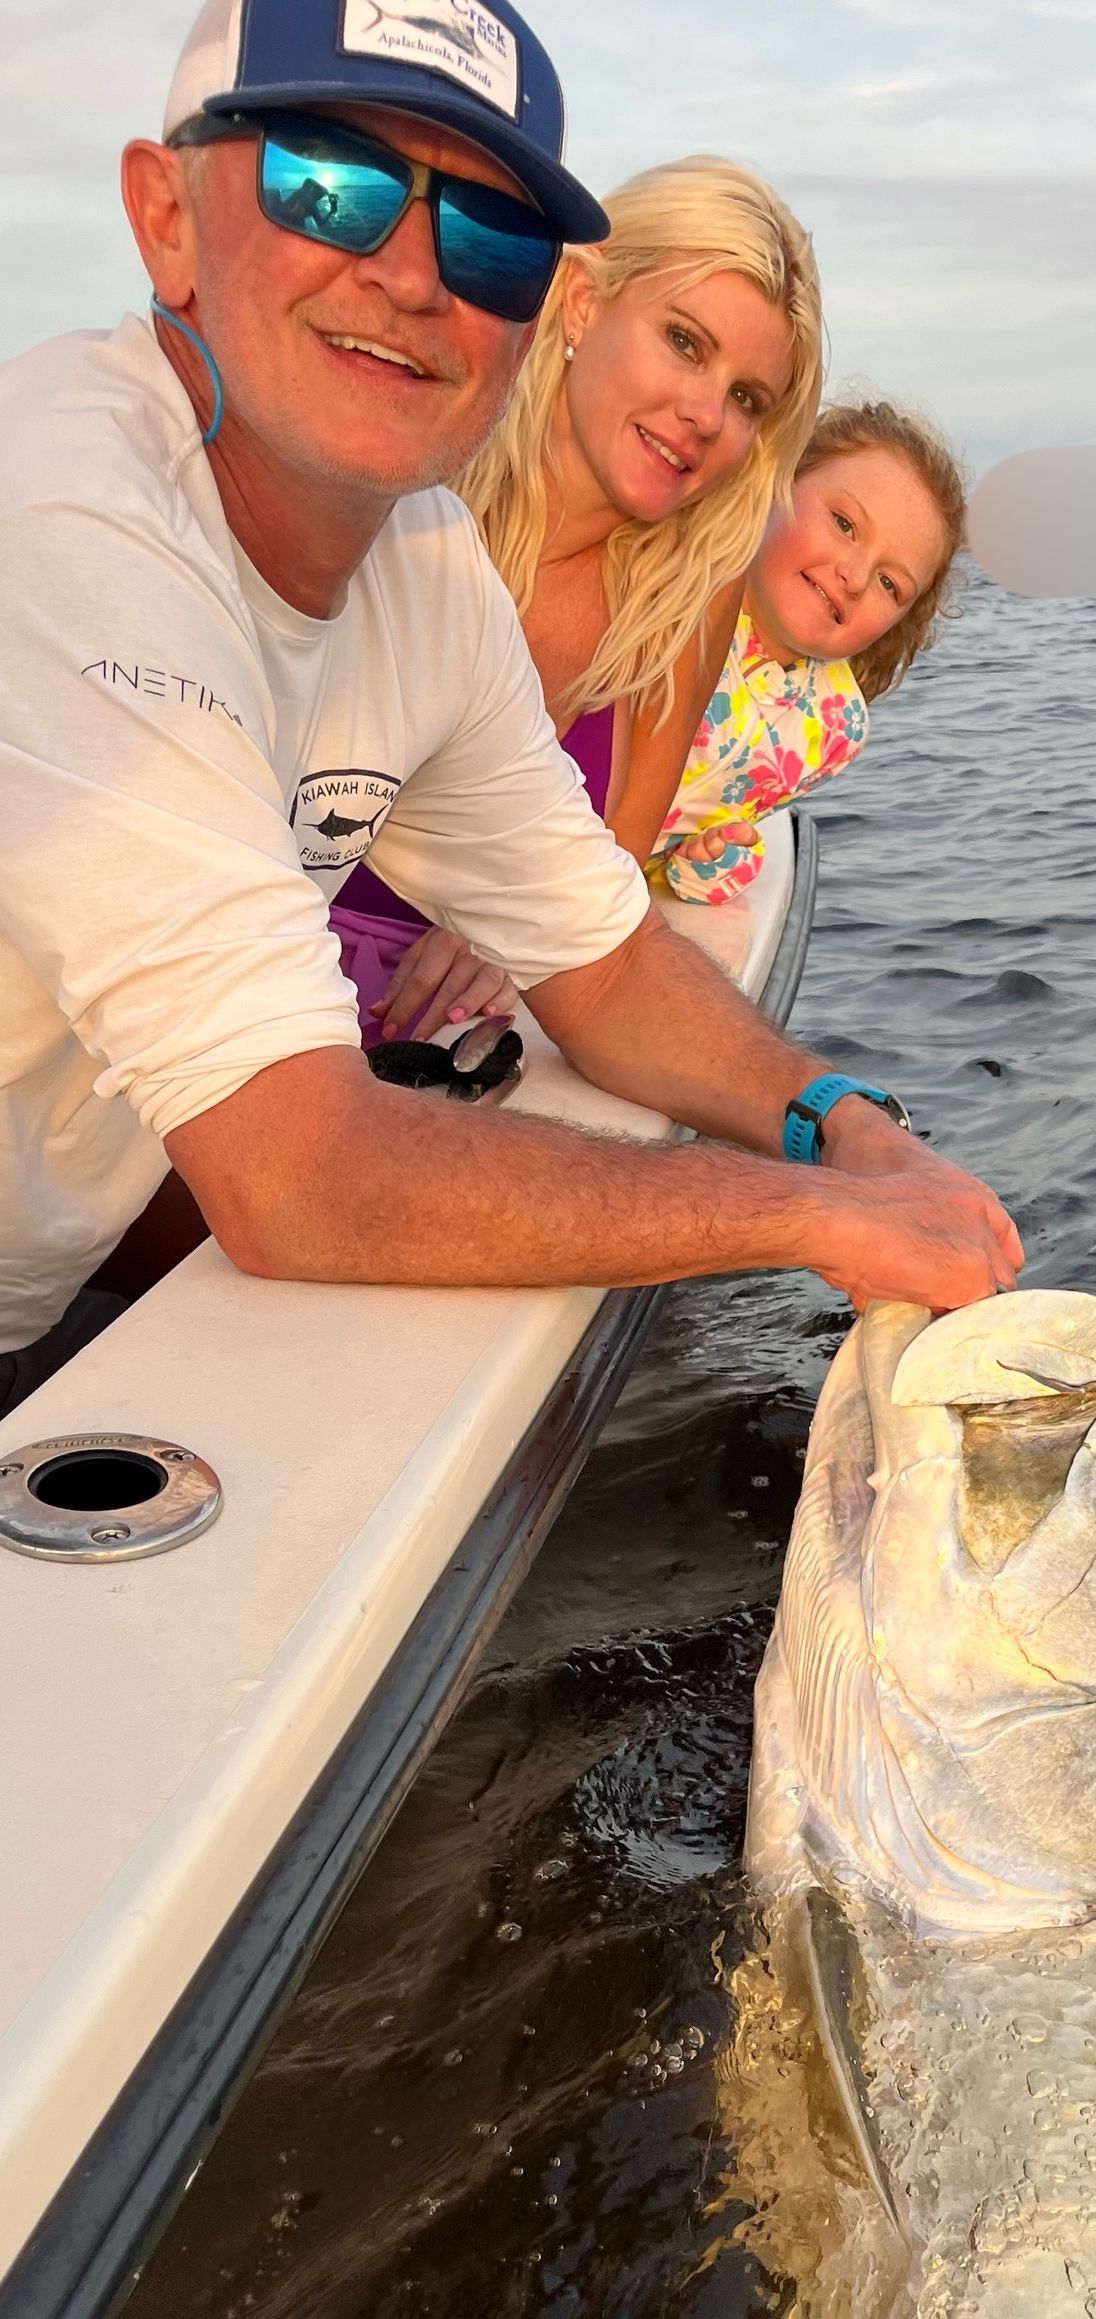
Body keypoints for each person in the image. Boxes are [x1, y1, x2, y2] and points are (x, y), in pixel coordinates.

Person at [0, 0, 1019, 1416]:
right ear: (166, 217)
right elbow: (298, 1174)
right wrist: (811, 1216)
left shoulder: (418, 561)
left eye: (489, 237)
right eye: (331, 183)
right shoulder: (65, 512)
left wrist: (843, 1125)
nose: (414, 276)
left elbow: (604, 965)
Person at [340, 152, 823, 1044]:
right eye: (685, 342)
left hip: (459, 1044)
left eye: (747, 397)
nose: (707, 415)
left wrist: (516, 938)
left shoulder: (690, 596)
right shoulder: (407, 483)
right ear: (582, 301)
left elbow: (609, 894)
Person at [653, 399, 967, 912]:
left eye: (890, 584)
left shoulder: (832, 727)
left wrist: (707, 861)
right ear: (776, 483)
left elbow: (683, 838)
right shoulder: (665, 585)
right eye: (844, 524)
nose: (855, 577)